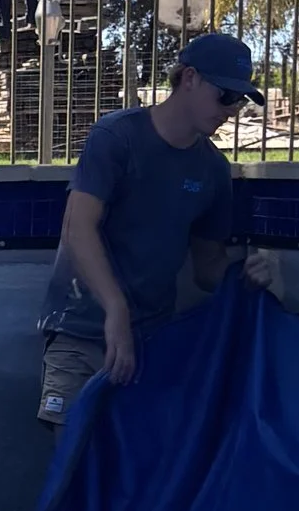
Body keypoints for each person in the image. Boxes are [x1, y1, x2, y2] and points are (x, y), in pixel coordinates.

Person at [36, 29, 256, 426]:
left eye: (240, 101)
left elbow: (207, 268)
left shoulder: (213, 172)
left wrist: (247, 275)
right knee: (70, 465)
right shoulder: (116, 137)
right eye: (225, 95)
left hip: (148, 344)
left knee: (134, 474)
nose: (231, 109)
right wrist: (115, 309)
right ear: (189, 78)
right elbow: (78, 228)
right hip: (80, 330)